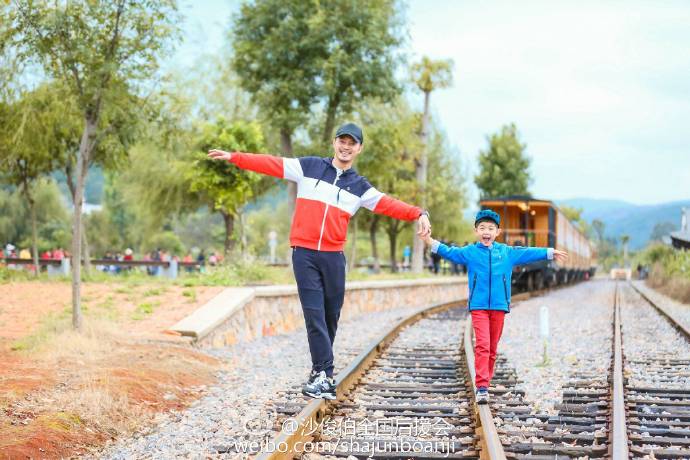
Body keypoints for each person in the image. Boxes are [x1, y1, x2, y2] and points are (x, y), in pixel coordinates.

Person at [208, 122, 431, 400]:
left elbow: (389, 204)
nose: (346, 147)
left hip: (334, 258)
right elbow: (272, 164)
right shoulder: (310, 167)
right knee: (314, 315)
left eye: (352, 143)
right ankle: (324, 373)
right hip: (304, 254)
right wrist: (235, 157)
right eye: (342, 141)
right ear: (334, 142)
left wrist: (418, 213)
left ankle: (319, 374)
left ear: (359, 149)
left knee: (330, 316)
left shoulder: (360, 187)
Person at [420, 209, 567, 404]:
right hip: (479, 306)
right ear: (476, 231)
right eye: (482, 228)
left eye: (490, 228)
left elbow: (528, 253)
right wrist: (429, 241)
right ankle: (482, 387)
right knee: (482, 345)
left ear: (497, 232)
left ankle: (485, 382)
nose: (486, 231)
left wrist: (549, 252)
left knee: (492, 348)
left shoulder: (506, 252)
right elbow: (450, 252)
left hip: (499, 306)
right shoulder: (470, 252)